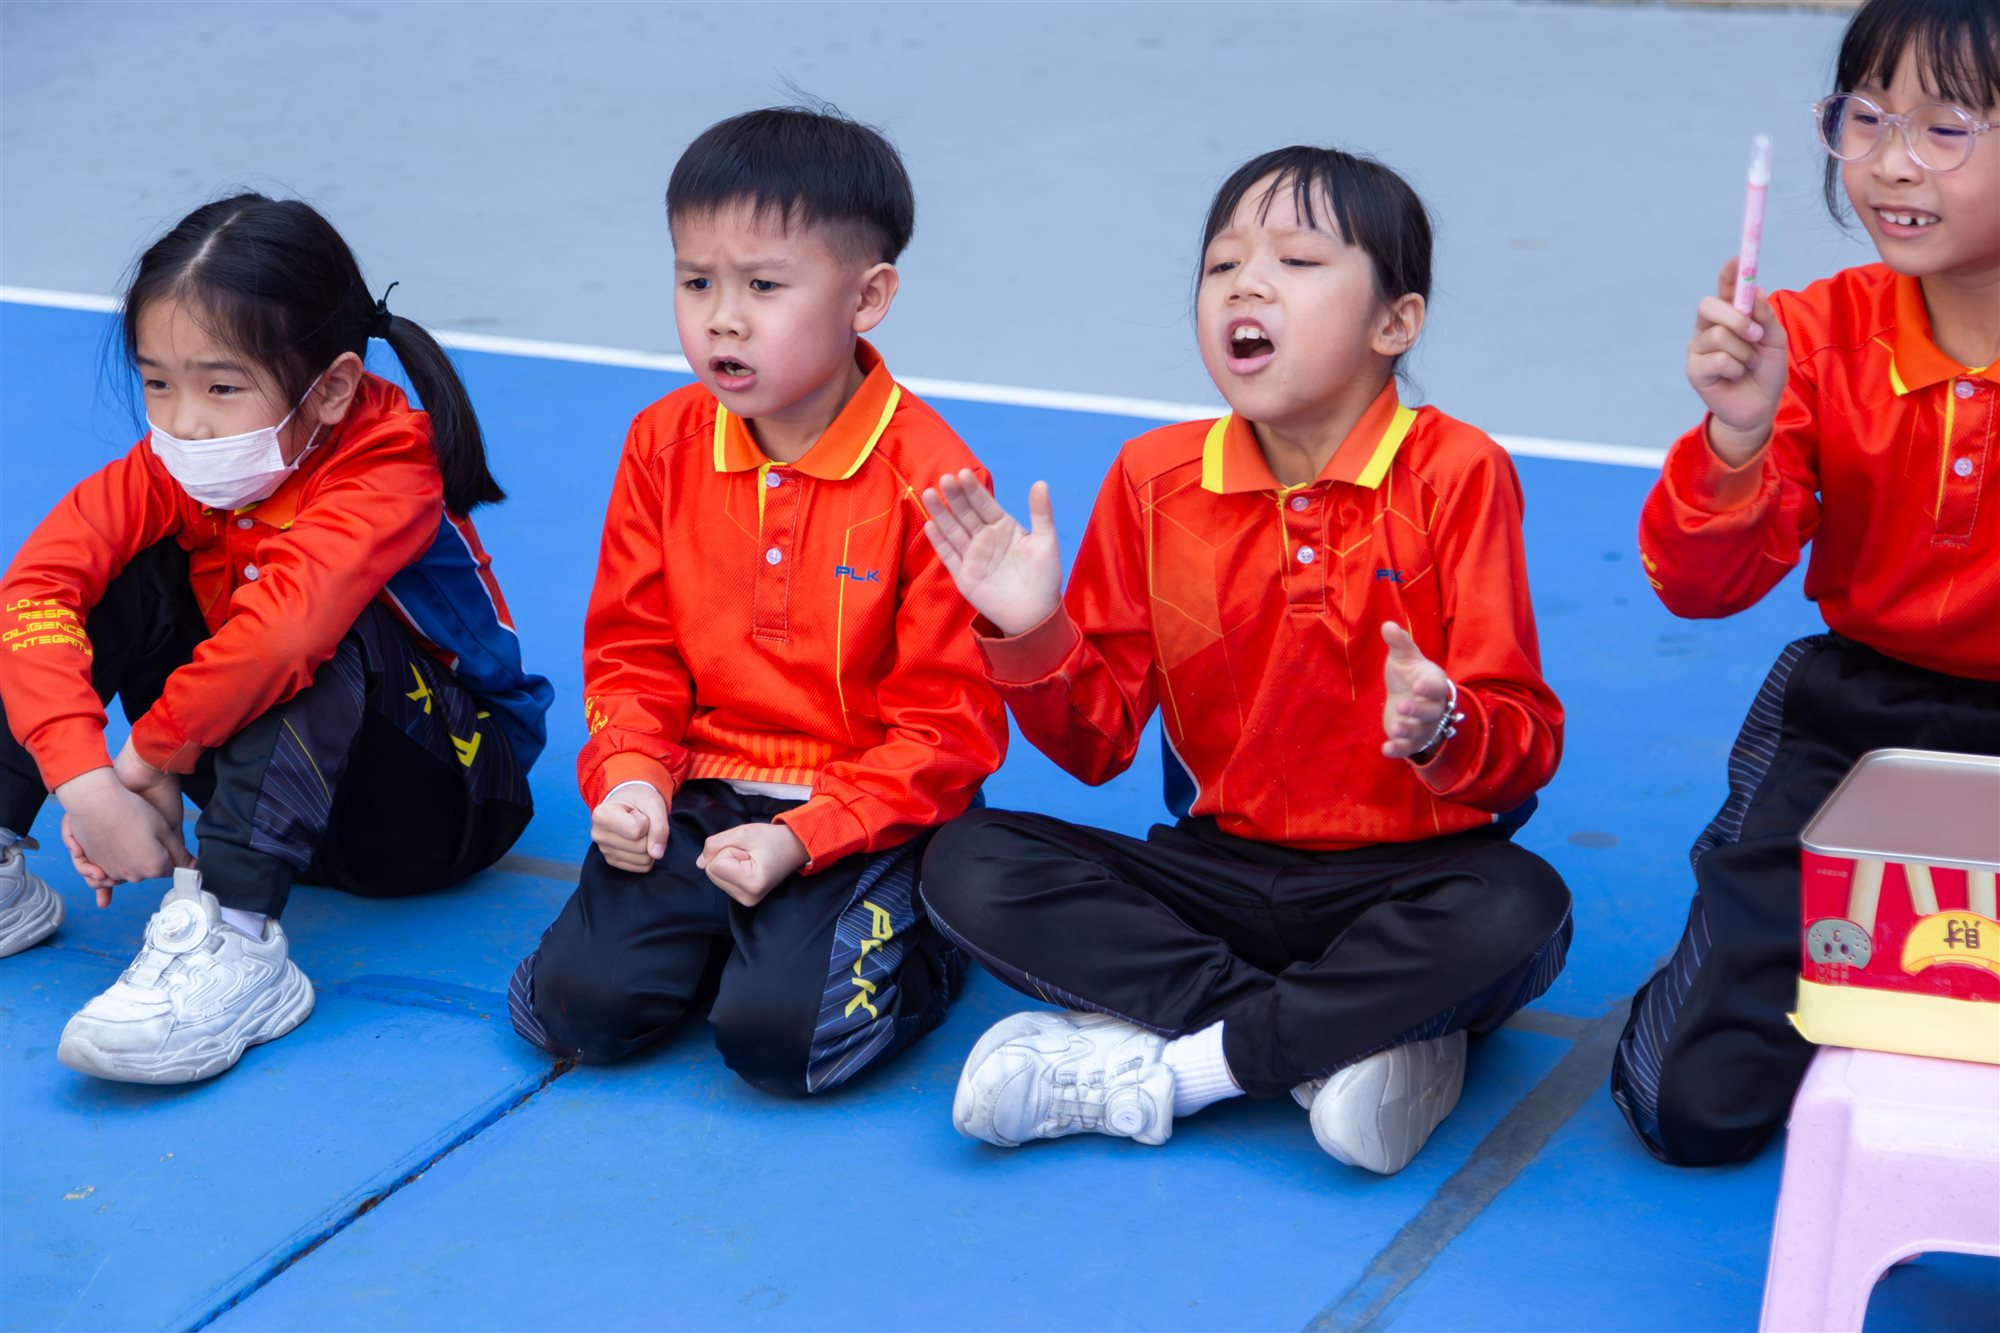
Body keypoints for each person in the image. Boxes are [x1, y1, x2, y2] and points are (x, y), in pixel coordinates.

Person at [919, 145, 1574, 1175]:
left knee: (1519, 908)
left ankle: (1177, 1069)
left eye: (1297, 262)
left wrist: (1444, 724)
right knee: (967, 860)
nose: (1246, 285)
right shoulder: (1152, 478)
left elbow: (1522, 745)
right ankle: (1343, 1040)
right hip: (1215, 875)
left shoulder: (1457, 472)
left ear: (1395, 323)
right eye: (1222, 264)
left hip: (1407, 879)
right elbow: (1095, 745)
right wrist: (1030, 626)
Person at [508, 105, 1007, 1097]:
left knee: (782, 1043)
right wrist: (633, 779)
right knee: (575, 1011)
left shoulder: (933, 481)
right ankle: (736, 934)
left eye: (763, 286)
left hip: (862, 807)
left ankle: (931, 930)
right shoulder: (662, 444)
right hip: (702, 789)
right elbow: (632, 652)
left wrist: (801, 838)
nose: (721, 319)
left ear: (868, 296)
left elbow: (944, 730)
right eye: (696, 281)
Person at [0, 193, 551, 1084]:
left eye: (221, 387)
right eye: (157, 383)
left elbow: (284, 636)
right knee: (99, 583)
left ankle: (235, 935)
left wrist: (149, 749)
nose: (184, 421)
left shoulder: (389, 466)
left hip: (445, 798)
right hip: (268, 784)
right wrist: (83, 782)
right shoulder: (172, 467)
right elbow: (35, 590)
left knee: (316, 620)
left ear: (330, 388)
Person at [1611, 0, 2000, 1165]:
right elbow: (1698, 586)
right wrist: (1734, 438)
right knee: (1689, 1102)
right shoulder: (1810, 337)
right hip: (1855, 718)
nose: (1890, 162)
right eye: (1864, 117)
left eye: (1945, 128)